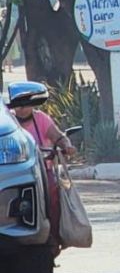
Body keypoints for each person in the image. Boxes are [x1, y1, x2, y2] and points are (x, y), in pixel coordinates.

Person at [9, 90, 76, 255]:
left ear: (33, 105)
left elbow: (58, 137)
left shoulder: (41, 119)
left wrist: (66, 145)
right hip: (15, 173)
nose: (22, 109)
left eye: (26, 105)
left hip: (42, 171)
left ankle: (53, 237)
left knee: (54, 196)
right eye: (18, 105)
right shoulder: (7, 121)